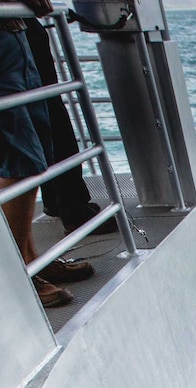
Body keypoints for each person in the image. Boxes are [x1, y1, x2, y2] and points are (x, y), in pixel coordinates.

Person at [1, 3, 93, 308]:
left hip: (15, 34)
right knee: (20, 160)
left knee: (36, 151)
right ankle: (17, 277)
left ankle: (31, 260)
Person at [23, 17, 117, 234]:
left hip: (15, 28)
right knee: (50, 113)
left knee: (34, 117)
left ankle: (56, 199)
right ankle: (73, 207)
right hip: (15, 29)